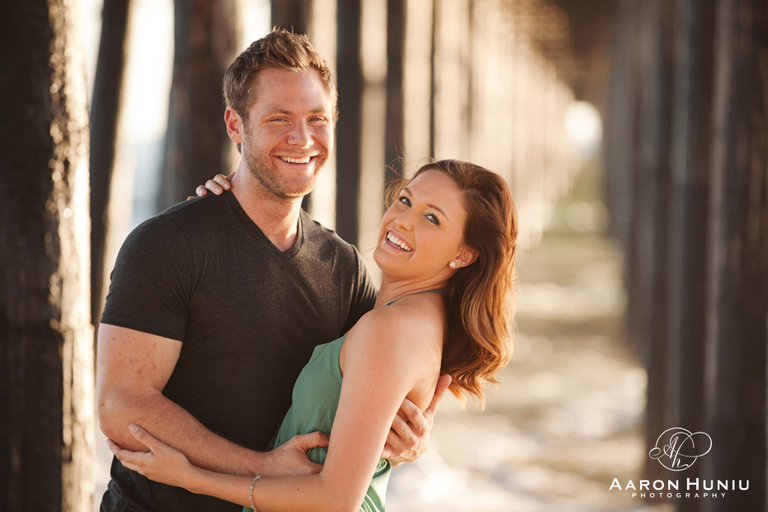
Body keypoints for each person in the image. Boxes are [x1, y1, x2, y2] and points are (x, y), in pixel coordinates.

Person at [97, 29, 445, 512]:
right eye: (279, 118)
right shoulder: (167, 245)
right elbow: (121, 407)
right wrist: (259, 465)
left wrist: (409, 442)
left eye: (317, 119)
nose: (301, 139)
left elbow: (376, 394)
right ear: (235, 126)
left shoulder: (345, 269)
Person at [108, 159, 519, 512]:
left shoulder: (389, 327)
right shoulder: (404, 316)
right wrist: (231, 207)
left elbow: (336, 499)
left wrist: (191, 476)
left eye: (432, 219)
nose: (402, 220)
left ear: (464, 254)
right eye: (406, 200)